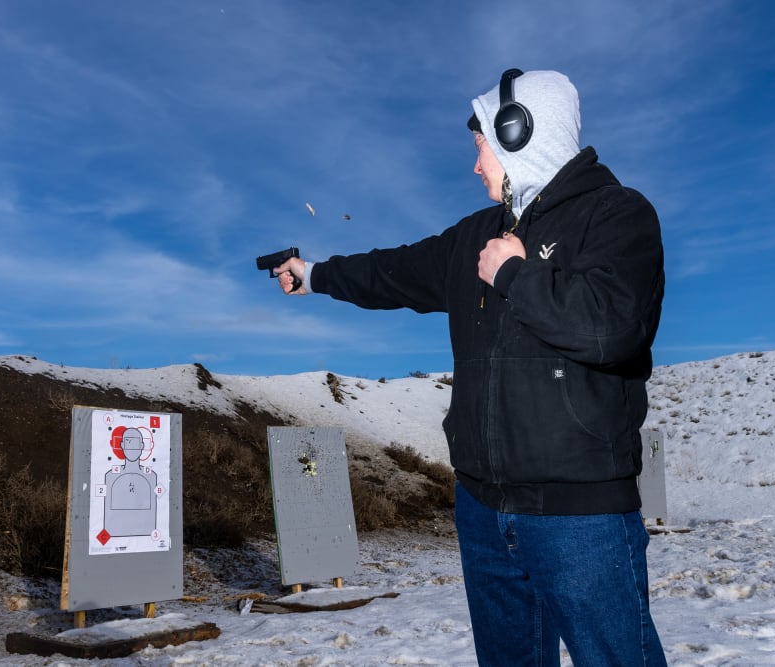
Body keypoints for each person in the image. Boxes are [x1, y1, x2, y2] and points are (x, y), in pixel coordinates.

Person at [273, 69, 666, 666]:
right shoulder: (477, 235)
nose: (475, 165)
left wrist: (515, 275)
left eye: (480, 144)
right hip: (483, 508)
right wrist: (316, 274)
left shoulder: (617, 215)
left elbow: (611, 329)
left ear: (519, 130)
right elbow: (394, 271)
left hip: (579, 514)